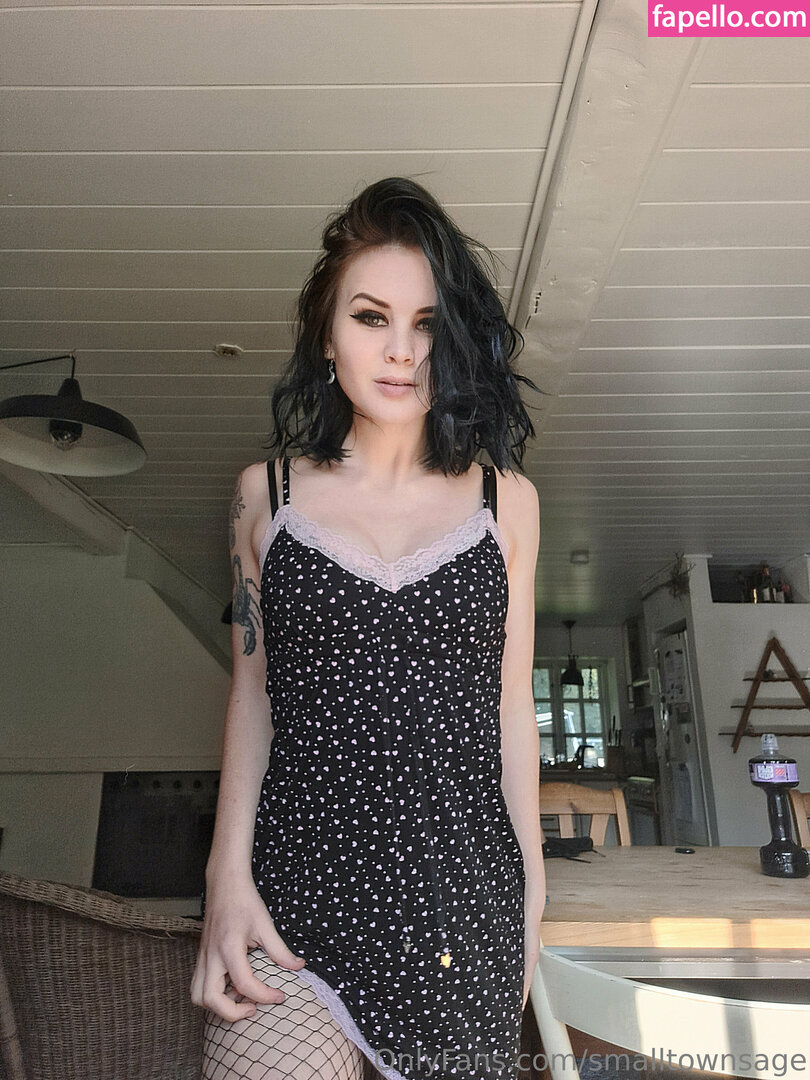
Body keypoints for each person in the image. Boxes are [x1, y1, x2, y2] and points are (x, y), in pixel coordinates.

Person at [191, 177, 545, 1080]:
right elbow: (253, 698)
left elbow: (510, 708)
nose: (399, 351)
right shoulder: (264, 496)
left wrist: (533, 889)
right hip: (291, 906)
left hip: (461, 909)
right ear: (326, 332)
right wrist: (224, 878)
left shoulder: (507, 503)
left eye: (427, 323)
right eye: (370, 316)